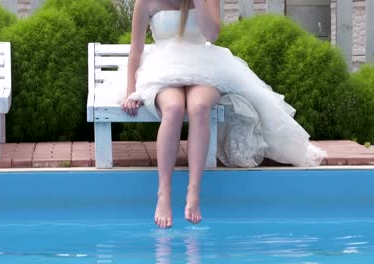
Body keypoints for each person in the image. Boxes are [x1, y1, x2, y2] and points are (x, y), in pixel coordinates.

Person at [120, 0, 326, 229]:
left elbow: (212, 34)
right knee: (174, 109)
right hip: (163, 69)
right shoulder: (146, 1)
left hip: (204, 66)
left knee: (199, 108)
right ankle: (164, 194)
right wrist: (131, 92)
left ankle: (194, 192)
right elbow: (135, 51)